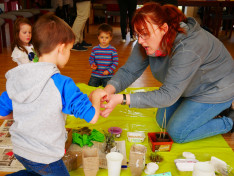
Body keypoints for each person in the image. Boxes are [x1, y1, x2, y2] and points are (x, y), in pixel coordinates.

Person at [99, 2, 234, 143]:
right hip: (190, 85)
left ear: (163, 28)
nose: (140, 41)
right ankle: (204, 111)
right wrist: (108, 90)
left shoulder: (187, 47)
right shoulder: (147, 39)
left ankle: (229, 120)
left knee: (177, 132)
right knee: (162, 121)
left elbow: (168, 95)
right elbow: (129, 71)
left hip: (215, 88)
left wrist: (123, 99)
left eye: (144, 35)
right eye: (137, 34)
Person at [1, 13, 107, 175]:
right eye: (70, 49)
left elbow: (2, 112)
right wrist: (97, 96)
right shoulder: (62, 84)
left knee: (34, 172)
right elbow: (92, 117)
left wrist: (27, 112)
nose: (69, 54)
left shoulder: (18, 77)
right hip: (45, 157)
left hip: (20, 150)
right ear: (61, 48)